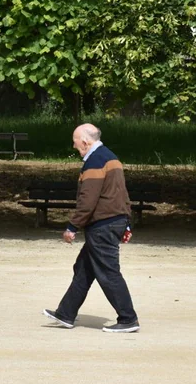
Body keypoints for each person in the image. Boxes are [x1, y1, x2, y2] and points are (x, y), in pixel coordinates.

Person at [43, 123, 140, 333]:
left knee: (108, 272)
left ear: (85, 142)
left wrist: (72, 226)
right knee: (84, 269)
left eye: (75, 142)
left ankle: (128, 319)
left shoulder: (95, 161)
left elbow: (88, 200)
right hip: (113, 220)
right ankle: (66, 313)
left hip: (103, 224)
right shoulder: (111, 157)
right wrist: (127, 221)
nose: (74, 146)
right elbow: (122, 193)